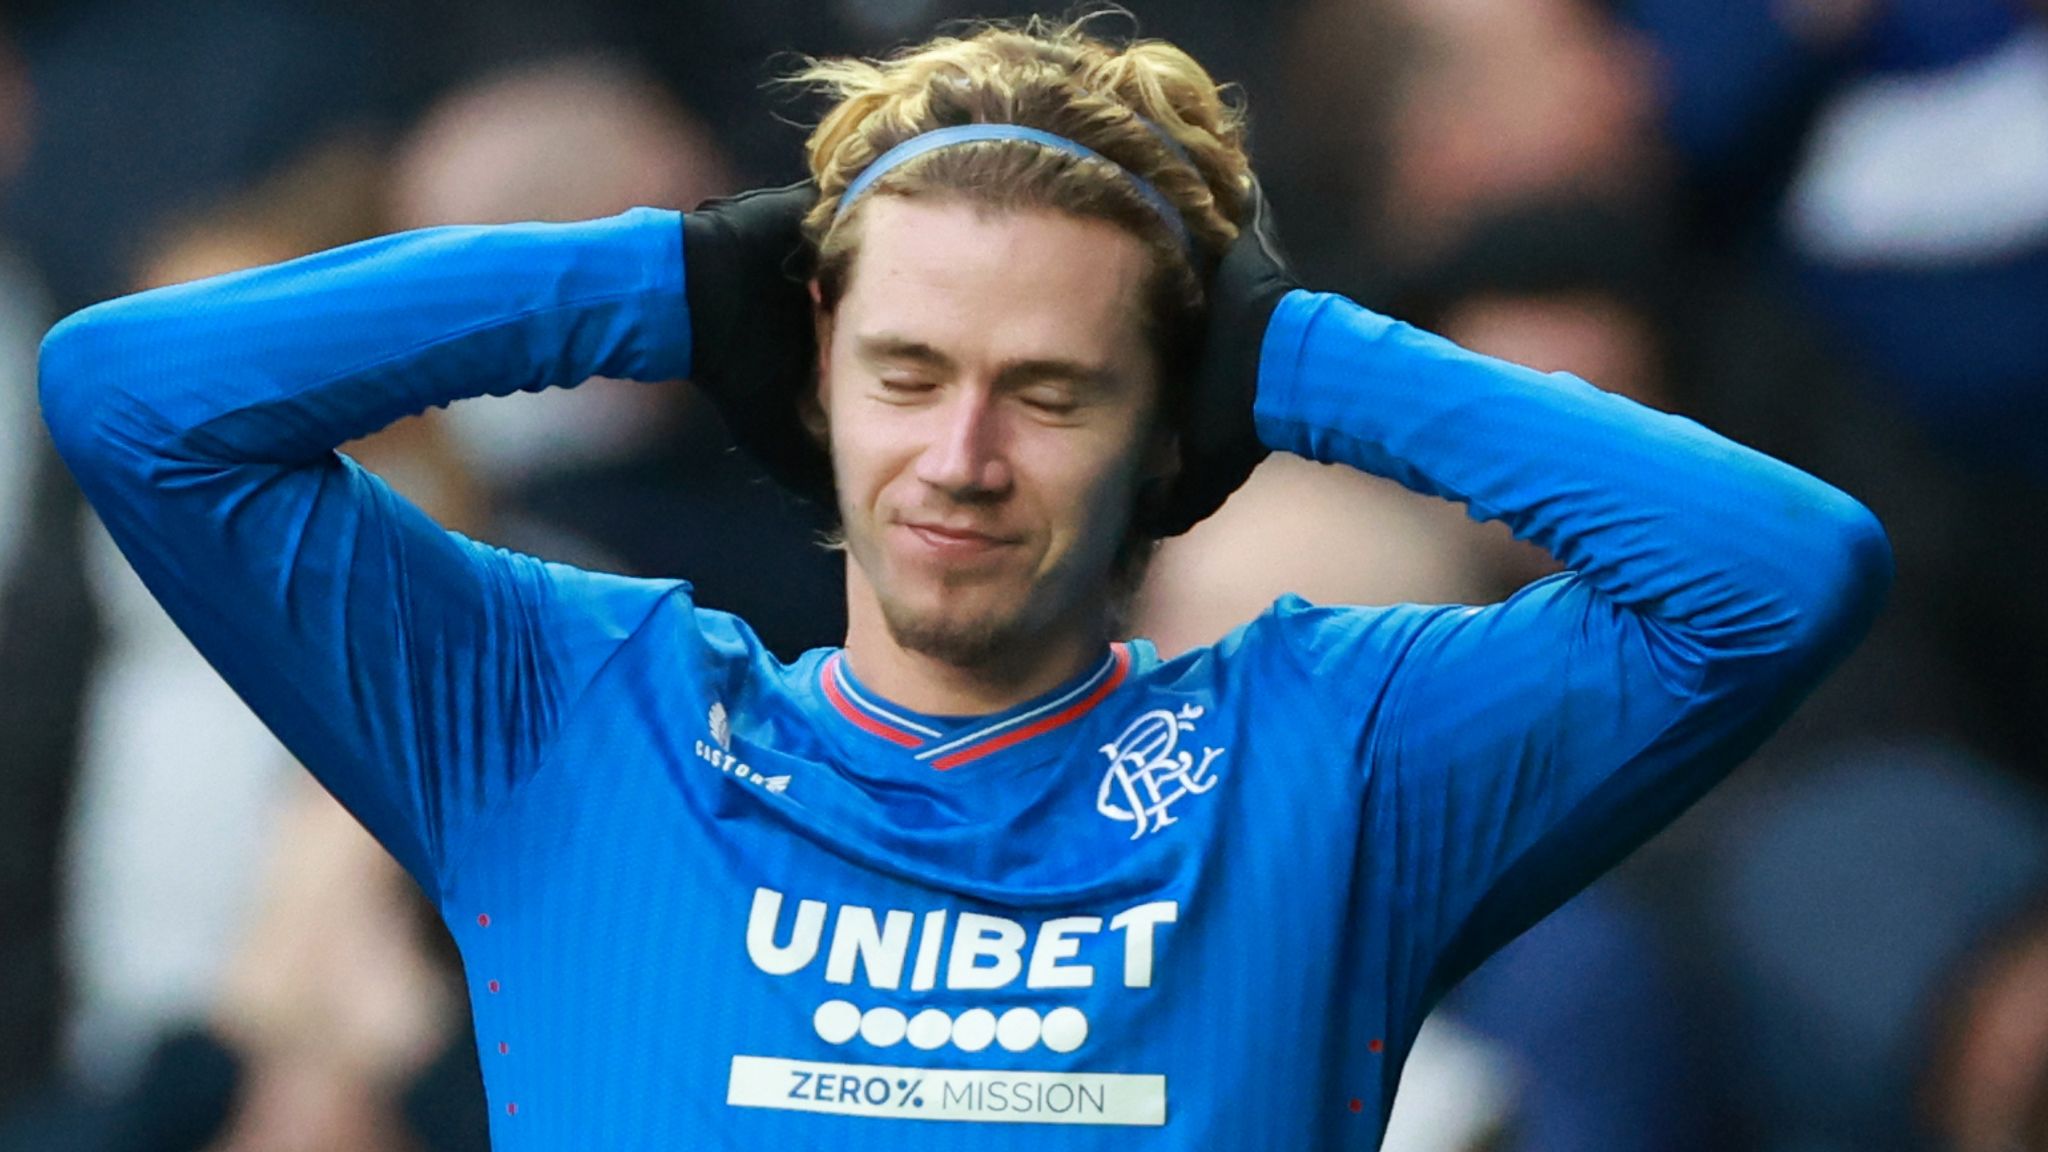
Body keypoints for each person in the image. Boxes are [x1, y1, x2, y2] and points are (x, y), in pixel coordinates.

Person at [36, 16, 1890, 1150]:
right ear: (815, 372)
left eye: (1055, 392)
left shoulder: (1335, 756)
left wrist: (1297, 352)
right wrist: (671, 283)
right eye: (907, 373)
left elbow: (1780, 571)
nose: (962, 458)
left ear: (1169, 433)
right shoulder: (564, 719)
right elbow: (135, 397)